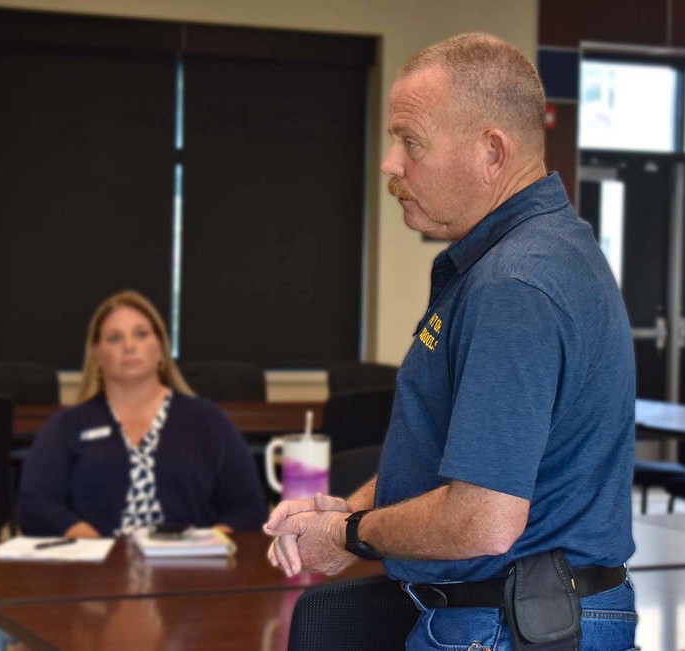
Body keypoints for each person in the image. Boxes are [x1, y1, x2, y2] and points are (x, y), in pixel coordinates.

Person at [264, 33, 637, 650]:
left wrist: (351, 535)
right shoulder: (538, 253)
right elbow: (454, 459)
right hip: (518, 615)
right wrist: (346, 513)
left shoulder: (514, 285)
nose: (390, 163)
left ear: (492, 151)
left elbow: (482, 519)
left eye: (411, 142)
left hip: (506, 627)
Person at [17, 289, 266, 538]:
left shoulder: (207, 420)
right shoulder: (67, 425)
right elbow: (34, 505)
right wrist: (87, 540)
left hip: (192, 559)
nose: (129, 346)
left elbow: (248, 506)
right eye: (114, 338)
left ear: (160, 347)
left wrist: (209, 543)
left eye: (141, 334)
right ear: (97, 355)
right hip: (97, 560)